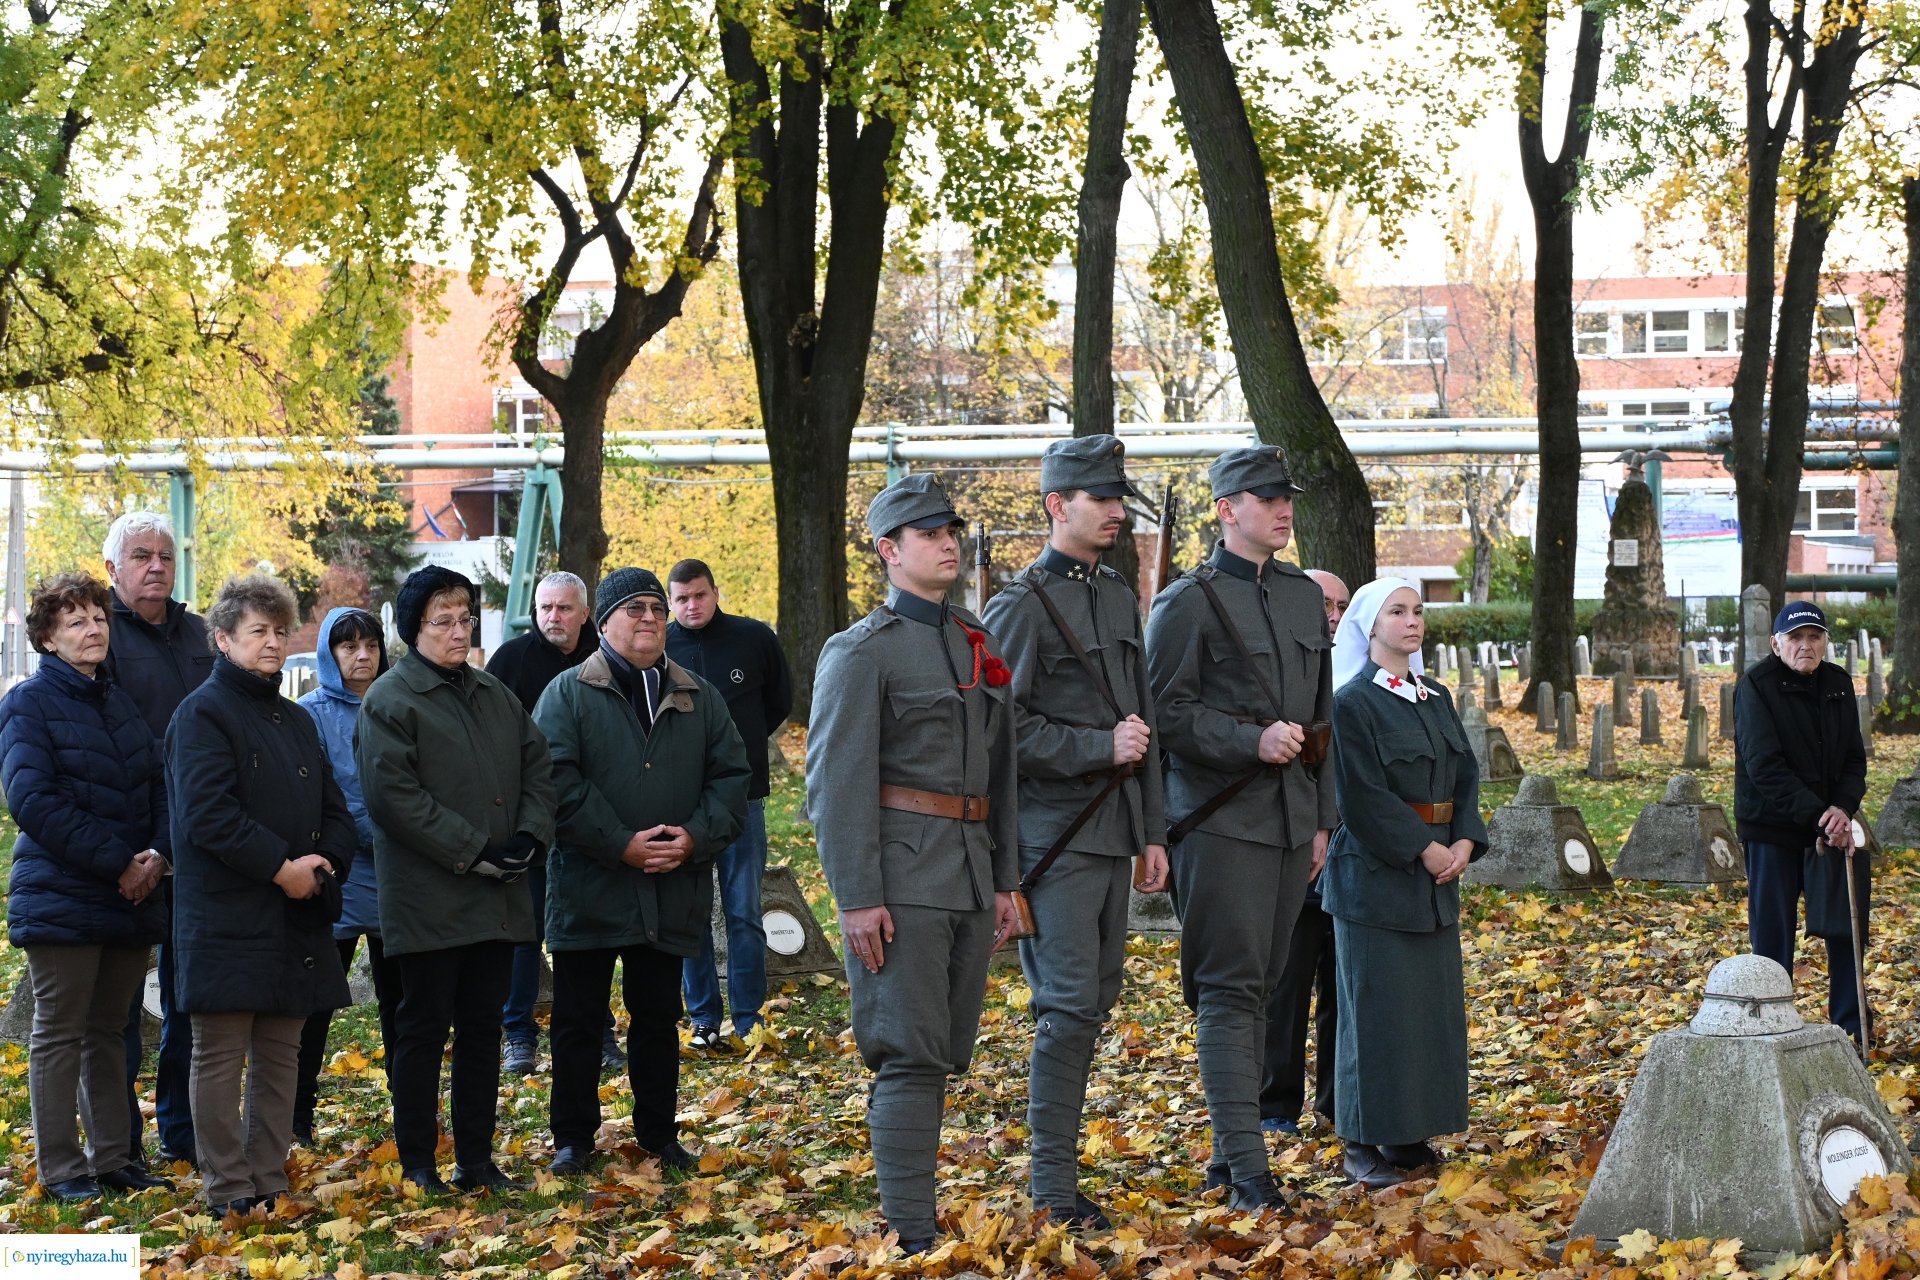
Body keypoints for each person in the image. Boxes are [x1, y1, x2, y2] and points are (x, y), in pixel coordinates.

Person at [807, 473, 1023, 1255]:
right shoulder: (861, 652)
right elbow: (835, 784)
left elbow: (1002, 777)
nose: (947, 543)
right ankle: (908, 1230)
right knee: (907, 1051)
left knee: (942, 1051)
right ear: (888, 551)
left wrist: (1005, 882)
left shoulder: (974, 640)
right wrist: (857, 896)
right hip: (900, 881)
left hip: (967, 873)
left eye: (950, 531)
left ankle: (914, 1214)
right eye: (928, 534)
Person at [978, 435, 1168, 1230]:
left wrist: (1153, 829)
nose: (1119, 510)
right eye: (1102, 498)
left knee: (1096, 999)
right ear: (1058, 505)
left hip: (1114, 834)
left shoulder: (1119, 596)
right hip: (1054, 841)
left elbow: (1143, 717)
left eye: (1120, 496)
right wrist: (1096, 748)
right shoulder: (1019, 606)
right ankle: (1052, 1188)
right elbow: (1002, 731)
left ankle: (1062, 1171)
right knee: (1065, 1007)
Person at [1145, 445, 1334, 1212]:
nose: (1283, 508)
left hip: (1294, 826)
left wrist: (1322, 820)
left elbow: (1322, 716)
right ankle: (1252, 1173)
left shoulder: (1298, 595)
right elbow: (1164, 714)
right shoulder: (1186, 601)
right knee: (1228, 991)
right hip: (1219, 823)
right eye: (1264, 497)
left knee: (1260, 990)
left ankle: (1230, 1160)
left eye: (1286, 495)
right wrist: (1245, 740)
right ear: (1227, 509)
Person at [534, 568, 750, 1175]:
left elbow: (732, 779)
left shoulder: (699, 695)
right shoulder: (568, 693)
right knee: (578, 1021)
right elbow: (555, 780)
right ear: (603, 623)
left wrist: (695, 837)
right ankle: (573, 1140)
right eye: (635, 608)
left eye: (658, 607)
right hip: (589, 886)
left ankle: (659, 1135)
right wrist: (618, 843)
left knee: (658, 1017)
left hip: (671, 884)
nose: (651, 617)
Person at [357, 566, 556, 1195]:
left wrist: (528, 835)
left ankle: (476, 1158)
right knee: (421, 1032)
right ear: (413, 629)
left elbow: (538, 767)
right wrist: (476, 851)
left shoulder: (493, 693)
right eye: (443, 620)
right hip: (429, 901)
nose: (458, 630)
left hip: (495, 899)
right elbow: (394, 799)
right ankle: (418, 1160)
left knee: (482, 1030)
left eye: (466, 617)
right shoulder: (390, 700)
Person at [166, 574, 356, 1215]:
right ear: (222, 639)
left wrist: (324, 862)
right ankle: (226, 1187)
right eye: (257, 632)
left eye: (280, 631)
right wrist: (282, 868)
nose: (272, 642)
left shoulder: (298, 720)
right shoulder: (201, 714)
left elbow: (335, 810)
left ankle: (269, 1175)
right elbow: (207, 816)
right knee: (219, 1055)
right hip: (227, 912)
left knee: (281, 1052)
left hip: (297, 910)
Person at [2, 573, 172, 1202]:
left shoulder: (118, 701)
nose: (93, 628)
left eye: (99, 616)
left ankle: (112, 1158)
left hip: (132, 891)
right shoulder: (27, 704)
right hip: (63, 893)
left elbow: (159, 788)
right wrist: (118, 863)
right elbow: (33, 801)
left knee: (109, 1028)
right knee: (59, 1031)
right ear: (47, 638)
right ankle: (61, 1167)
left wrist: (155, 855)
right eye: (75, 621)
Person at [1319, 578, 1486, 1190]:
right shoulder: (1352, 702)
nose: (1412, 621)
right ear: (1369, 625)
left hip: (1436, 877)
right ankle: (1360, 1142)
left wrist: (1465, 840)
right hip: (1376, 879)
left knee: (1421, 1014)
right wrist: (1426, 849)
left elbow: (1466, 773)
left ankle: (1406, 1131)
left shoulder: (1435, 695)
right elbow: (1361, 797)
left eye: (1418, 611)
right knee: (1372, 1015)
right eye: (1397, 611)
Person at [101, 511, 210, 1169]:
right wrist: (131, 853)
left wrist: (172, 847)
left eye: (166, 556)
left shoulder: (199, 636)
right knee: (115, 1020)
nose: (157, 567)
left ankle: (184, 1129)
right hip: (121, 857)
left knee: (189, 1006)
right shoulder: (95, 640)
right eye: (141, 555)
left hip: (193, 850)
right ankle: (119, 1147)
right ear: (112, 567)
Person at [485, 572, 615, 1077]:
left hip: (593, 819)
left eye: (564, 609)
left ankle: (598, 1031)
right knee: (525, 931)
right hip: (529, 820)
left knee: (592, 933)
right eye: (545, 609)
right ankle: (519, 1033)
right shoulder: (511, 661)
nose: (553, 618)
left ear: (585, 614)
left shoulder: (606, 661)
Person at [666, 558, 793, 1051]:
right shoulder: (661, 647)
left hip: (743, 799)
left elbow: (779, 702)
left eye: (699, 595)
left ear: (715, 592)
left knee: (743, 911)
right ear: (671, 602)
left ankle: (747, 1018)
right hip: (683, 803)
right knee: (690, 913)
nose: (691, 606)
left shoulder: (753, 637)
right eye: (681, 599)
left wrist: (742, 751)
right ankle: (703, 1019)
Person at [1734, 601, 1870, 1043]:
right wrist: (1819, 814)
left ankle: (1849, 1027)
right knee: (1772, 934)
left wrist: (1843, 809)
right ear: (1776, 644)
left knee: (1846, 927)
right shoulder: (1756, 684)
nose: (1805, 646)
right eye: (1795, 638)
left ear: (1825, 642)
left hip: (1832, 826)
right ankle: (1772, 1029)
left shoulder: (1838, 683)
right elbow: (1764, 766)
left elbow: (1853, 757)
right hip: (1772, 828)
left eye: (1814, 637)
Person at [291, 608, 402, 1144]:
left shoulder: (400, 702)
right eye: (348, 646)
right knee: (313, 1007)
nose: (362, 655)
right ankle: (296, 1119)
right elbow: (312, 791)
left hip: (398, 875)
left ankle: (411, 1112)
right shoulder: (307, 714)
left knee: (401, 1005)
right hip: (334, 873)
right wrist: (361, 829)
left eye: (370, 645)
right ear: (328, 654)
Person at [1260, 568, 1350, 1136]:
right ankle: (1275, 1106)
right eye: (1323, 603)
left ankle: (1339, 1101)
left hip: (1350, 854)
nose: (1332, 615)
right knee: (1286, 986)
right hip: (1296, 849)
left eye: (1341, 605)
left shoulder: (1365, 669)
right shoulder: (1286, 670)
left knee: (1343, 987)